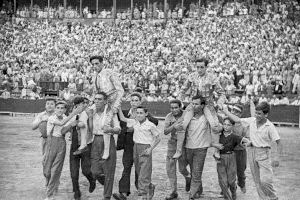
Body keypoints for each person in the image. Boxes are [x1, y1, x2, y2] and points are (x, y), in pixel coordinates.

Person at [221, 101, 282, 200]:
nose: (257, 116)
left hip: (264, 153)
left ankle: (273, 197)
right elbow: (237, 119)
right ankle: (263, 198)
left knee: (265, 180)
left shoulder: (270, 126)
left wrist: (277, 158)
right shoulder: (252, 120)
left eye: (259, 114)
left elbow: (278, 142)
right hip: (251, 151)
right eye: (256, 113)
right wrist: (226, 111)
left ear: (266, 114)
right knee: (257, 180)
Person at [176, 58, 225, 160]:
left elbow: (222, 93)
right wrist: (179, 100)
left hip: (208, 104)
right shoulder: (192, 76)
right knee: (182, 125)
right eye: (197, 67)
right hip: (193, 103)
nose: (199, 69)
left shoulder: (212, 77)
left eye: (202, 67)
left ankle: (216, 150)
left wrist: (219, 103)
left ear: (206, 67)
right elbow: (182, 90)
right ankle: (178, 150)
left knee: (215, 126)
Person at [113, 92, 159, 200]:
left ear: (140, 102)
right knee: (126, 167)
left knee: (141, 170)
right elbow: (121, 122)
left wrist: (140, 119)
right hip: (129, 145)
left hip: (141, 144)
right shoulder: (125, 113)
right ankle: (123, 193)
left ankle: (145, 189)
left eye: (136, 100)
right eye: (132, 100)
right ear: (129, 102)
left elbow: (155, 121)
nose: (134, 102)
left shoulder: (142, 114)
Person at [43, 100, 85, 200]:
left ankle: (49, 194)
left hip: (61, 144)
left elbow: (64, 130)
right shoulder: (51, 118)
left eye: (62, 108)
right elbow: (62, 123)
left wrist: (72, 130)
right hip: (50, 143)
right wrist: (73, 115)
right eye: (58, 108)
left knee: (56, 170)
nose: (60, 110)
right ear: (55, 109)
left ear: (65, 109)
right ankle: (54, 182)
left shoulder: (67, 118)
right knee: (47, 171)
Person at [87, 92, 121, 200]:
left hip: (108, 141)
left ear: (105, 101)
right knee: (95, 171)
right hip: (95, 141)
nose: (96, 101)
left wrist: (110, 129)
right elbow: (90, 130)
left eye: (100, 99)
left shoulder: (111, 113)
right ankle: (108, 186)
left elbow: (118, 129)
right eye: (95, 99)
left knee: (108, 170)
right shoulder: (91, 112)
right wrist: (90, 117)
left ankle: (106, 196)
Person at [61, 96, 96, 200]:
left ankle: (92, 180)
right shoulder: (72, 115)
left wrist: (89, 117)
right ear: (76, 106)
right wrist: (72, 124)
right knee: (74, 173)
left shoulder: (90, 113)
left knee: (86, 170)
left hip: (86, 146)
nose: (84, 106)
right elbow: (62, 131)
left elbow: (92, 130)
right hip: (74, 146)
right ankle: (76, 191)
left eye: (85, 103)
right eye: (81, 104)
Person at [91, 55, 124, 160]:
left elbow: (120, 90)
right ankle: (85, 141)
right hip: (100, 102)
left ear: (102, 63)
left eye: (97, 63)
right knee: (85, 114)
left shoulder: (110, 72)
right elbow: (96, 92)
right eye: (93, 64)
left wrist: (116, 105)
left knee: (106, 123)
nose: (95, 66)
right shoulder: (95, 76)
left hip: (111, 103)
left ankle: (106, 151)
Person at [184, 95, 215, 200]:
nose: (193, 106)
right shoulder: (188, 115)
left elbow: (216, 125)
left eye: (196, 104)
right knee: (193, 171)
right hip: (188, 147)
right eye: (192, 103)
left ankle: (191, 196)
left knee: (196, 172)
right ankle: (198, 189)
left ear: (202, 106)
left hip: (201, 148)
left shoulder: (207, 116)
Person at [164, 99, 191, 200]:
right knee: (170, 168)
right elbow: (165, 131)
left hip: (185, 144)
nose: (174, 110)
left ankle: (188, 177)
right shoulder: (168, 116)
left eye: (176, 107)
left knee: (182, 168)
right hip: (172, 144)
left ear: (180, 107)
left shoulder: (187, 114)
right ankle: (173, 191)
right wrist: (174, 126)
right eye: (172, 108)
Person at [217, 117, 250, 200]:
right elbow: (210, 141)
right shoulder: (218, 135)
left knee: (231, 181)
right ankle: (227, 198)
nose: (226, 127)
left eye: (228, 125)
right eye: (224, 124)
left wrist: (249, 143)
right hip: (220, 158)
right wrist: (215, 146)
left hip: (231, 158)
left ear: (232, 126)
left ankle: (234, 193)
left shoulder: (234, 136)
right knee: (223, 181)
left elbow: (245, 140)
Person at [230, 104, 248, 194]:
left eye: (237, 112)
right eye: (233, 110)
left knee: (240, 172)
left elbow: (246, 139)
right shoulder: (226, 121)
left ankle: (241, 183)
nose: (234, 113)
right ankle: (229, 188)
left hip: (240, 151)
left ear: (240, 114)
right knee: (229, 171)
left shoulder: (244, 125)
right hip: (229, 151)